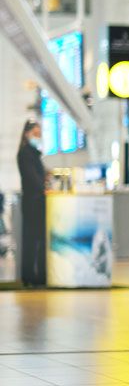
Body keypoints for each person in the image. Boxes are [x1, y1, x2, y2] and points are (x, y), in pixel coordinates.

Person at [16, 119, 47, 287]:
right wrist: (43, 188)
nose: (38, 136)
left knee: (38, 239)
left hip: (37, 201)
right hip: (32, 202)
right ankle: (30, 276)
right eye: (35, 134)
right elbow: (32, 179)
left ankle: (38, 276)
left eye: (39, 134)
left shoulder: (34, 153)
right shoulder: (25, 153)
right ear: (27, 134)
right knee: (32, 240)